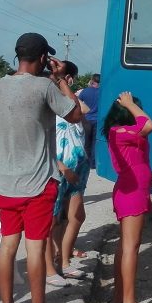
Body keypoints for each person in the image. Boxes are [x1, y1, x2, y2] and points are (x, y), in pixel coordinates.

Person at [0, 33, 82, 303]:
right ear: (42, 58)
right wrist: (61, 77)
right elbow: (76, 114)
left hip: (6, 185)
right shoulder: (43, 87)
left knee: (8, 246)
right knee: (35, 249)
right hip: (39, 185)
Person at [103, 90, 152, 303]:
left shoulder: (124, 133)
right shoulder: (121, 131)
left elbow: (137, 159)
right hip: (131, 193)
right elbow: (149, 124)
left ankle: (119, 296)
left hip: (135, 189)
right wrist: (130, 103)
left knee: (125, 246)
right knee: (130, 248)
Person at [45, 60, 92, 288]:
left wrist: (62, 83)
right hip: (59, 168)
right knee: (53, 219)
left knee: (74, 217)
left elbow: (82, 110)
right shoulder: (48, 104)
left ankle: (63, 261)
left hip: (79, 168)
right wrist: (61, 166)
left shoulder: (71, 102)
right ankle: (52, 265)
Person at [77, 73, 100, 168]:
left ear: (92, 81)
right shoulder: (102, 92)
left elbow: (78, 102)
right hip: (98, 120)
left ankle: (86, 162)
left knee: (86, 142)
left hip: (86, 120)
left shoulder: (85, 91)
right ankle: (93, 164)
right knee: (95, 142)